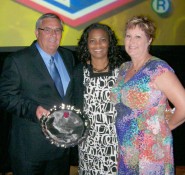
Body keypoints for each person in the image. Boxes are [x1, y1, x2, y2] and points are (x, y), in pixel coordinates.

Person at [0, 13, 75, 175]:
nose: (54, 35)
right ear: (36, 32)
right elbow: (5, 97)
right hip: (30, 150)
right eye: (47, 29)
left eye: (58, 30)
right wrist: (33, 109)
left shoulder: (68, 57)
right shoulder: (18, 60)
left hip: (61, 147)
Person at [110, 15, 185, 174]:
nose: (132, 41)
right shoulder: (124, 68)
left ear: (149, 40)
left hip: (151, 151)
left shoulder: (158, 69)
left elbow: (184, 106)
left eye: (138, 36)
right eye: (129, 36)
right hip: (126, 147)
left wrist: (165, 129)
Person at [71, 23, 125, 175]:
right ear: (86, 45)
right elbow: (74, 107)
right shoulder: (79, 72)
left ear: (110, 43)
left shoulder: (122, 70)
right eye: (92, 41)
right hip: (89, 142)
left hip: (117, 141)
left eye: (103, 40)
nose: (98, 45)